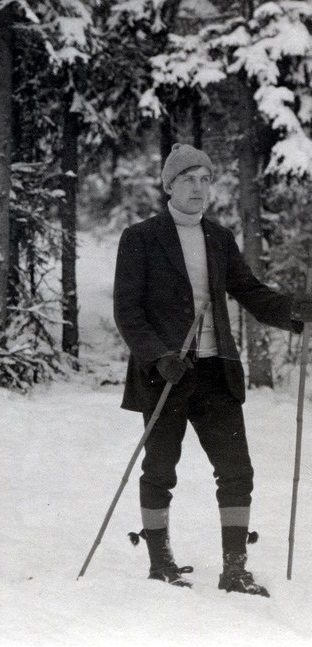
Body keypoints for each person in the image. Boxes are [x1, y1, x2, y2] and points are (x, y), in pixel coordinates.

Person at [114, 143, 312, 596]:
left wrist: (295, 312)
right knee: (161, 469)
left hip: (215, 373)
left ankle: (234, 569)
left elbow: (251, 292)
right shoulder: (141, 238)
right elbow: (128, 311)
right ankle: (160, 562)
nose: (199, 188)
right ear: (169, 185)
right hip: (164, 374)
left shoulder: (219, 238)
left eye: (205, 179)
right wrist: (158, 355)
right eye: (188, 179)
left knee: (237, 470)